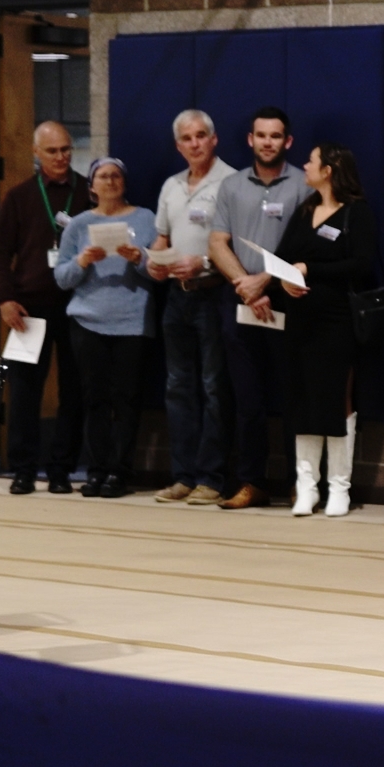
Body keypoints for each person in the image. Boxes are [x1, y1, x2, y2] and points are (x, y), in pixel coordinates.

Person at [207, 107, 309, 510]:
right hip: (240, 300)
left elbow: (305, 248)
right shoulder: (231, 186)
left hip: (287, 299)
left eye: (276, 136)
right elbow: (217, 242)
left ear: (288, 141)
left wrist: (264, 281)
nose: (268, 142)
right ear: (251, 140)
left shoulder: (304, 185)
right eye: (261, 135)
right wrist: (245, 286)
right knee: (247, 399)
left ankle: (300, 484)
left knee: (293, 397)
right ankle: (251, 481)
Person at [276, 143, 378, 517]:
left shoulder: (356, 212)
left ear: (329, 170)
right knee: (302, 400)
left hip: (338, 320)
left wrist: (311, 270)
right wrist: (285, 279)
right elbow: (285, 256)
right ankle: (307, 486)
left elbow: (361, 264)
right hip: (300, 320)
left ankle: (339, 487)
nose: (305, 166)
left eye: (311, 161)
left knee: (335, 400)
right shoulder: (306, 209)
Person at [0, 121, 87, 495]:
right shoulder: (19, 196)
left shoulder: (87, 192)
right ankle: (23, 469)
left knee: (74, 391)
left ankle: (61, 469)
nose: (61, 157)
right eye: (52, 151)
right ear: (36, 153)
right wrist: (4, 299)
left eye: (66, 149)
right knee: (25, 392)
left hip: (78, 307)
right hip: (29, 308)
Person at [148, 110, 238, 506]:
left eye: (201, 135)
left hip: (213, 293)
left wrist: (201, 262)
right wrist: (154, 261)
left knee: (214, 387)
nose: (195, 143)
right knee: (177, 387)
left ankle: (211, 478)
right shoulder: (170, 185)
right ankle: (183, 475)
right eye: (187, 138)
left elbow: (236, 243)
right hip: (176, 296)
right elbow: (162, 239)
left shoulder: (231, 181)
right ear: (178, 145)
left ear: (214, 139)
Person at [53, 157, 157, 499]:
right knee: (94, 398)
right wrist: (82, 261)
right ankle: (96, 470)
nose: (110, 181)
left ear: (124, 182)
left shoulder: (146, 218)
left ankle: (119, 471)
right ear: (92, 186)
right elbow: (62, 277)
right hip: (88, 321)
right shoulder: (79, 224)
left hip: (132, 321)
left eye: (116, 176)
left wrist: (139, 258)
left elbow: (159, 271)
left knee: (126, 399)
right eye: (103, 176)